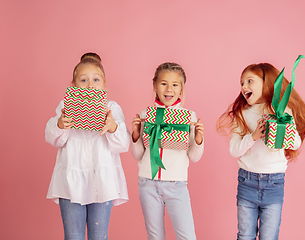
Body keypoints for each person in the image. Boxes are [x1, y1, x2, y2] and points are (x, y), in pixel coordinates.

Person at [217, 59, 305, 240]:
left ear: (266, 83)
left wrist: (279, 132)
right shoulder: (242, 113)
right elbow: (234, 150)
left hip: (274, 183)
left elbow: (296, 143)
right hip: (247, 182)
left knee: (269, 236)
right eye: (242, 83)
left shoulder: (281, 111)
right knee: (245, 236)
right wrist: (253, 136)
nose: (244, 86)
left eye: (250, 81)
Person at [45, 52, 130, 240]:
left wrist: (113, 127)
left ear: (104, 84)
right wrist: (60, 124)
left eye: (96, 79)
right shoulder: (65, 106)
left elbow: (123, 144)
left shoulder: (112, 108)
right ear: (73, 85)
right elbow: (52, 138)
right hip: (70, 182)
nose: (90, 85)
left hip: (102, 182)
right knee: (73, 235)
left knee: (99, 236)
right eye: (83, 80)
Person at [131, 62, 204, 240]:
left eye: (175, 84)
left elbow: (195, 157)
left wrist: (199, 139)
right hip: (147, 183)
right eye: (164, 83)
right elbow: (138, 155)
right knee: (154, 237)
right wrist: (134, 135)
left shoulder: (190, 117)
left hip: (177, 184)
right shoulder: (145, 113)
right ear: (155, 85)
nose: (169, 89)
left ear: (181, 89)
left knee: (187, 236)